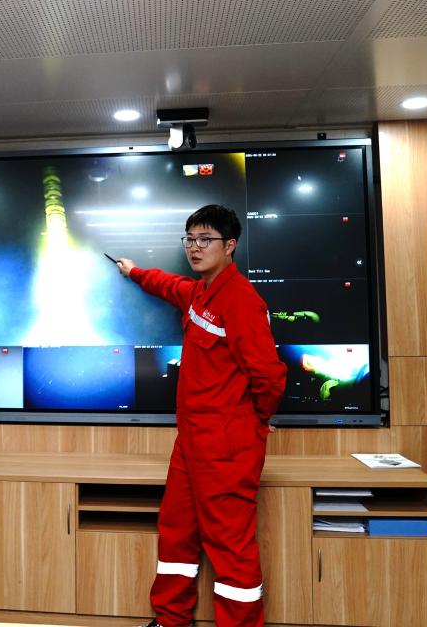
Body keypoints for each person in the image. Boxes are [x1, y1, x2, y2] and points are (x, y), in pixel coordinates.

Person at [115, 204, 286, 627]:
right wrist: (134, 272)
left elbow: (269, 376)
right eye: (190, 239)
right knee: (177, 532)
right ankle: (171, 619)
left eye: (205, 239)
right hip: (191, 442)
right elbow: (168, 285)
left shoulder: (242, 300)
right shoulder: (199, 293)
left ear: (230, 246)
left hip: (227, 446)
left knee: (231, 547)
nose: (194, 247)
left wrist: (252, 422)